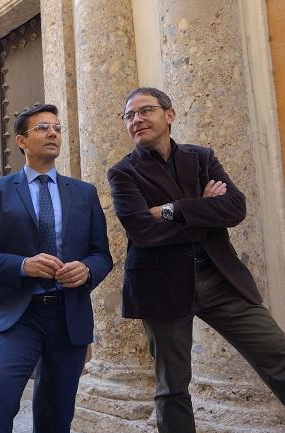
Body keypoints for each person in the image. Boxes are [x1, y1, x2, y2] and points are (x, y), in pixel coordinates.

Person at [107, 87, 285, 433]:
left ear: (169, 115)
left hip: (219, 279)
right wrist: (204, 209)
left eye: (145, 111)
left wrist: (172, 210)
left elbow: (235, 208)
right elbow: (142, 231)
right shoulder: (123, 173)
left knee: (276, 351)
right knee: (172, 386)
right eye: (130, 115)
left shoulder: (201, 158)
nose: (137, 120)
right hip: (161, 286)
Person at [0, 104, 113, 433]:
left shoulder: (84, 193)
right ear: (21, 141)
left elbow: (102, 255)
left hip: (68, 316)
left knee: (56, 414)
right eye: (43, 128)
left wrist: (87, 271)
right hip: (16, 315)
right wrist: (23, 265)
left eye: (58, 128)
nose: (53, 134)